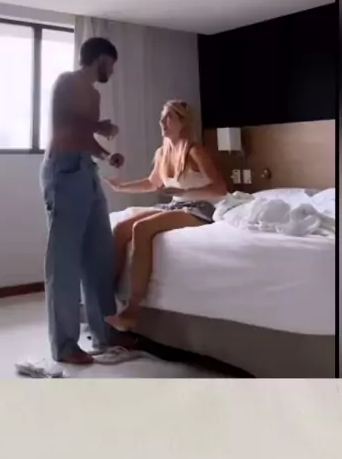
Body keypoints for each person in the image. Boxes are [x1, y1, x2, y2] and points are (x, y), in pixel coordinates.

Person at [104, 99, 227, 332]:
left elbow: (220, 189)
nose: (162, 122)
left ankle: (132, 310)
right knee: (120, 229)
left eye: (169, 117)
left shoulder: (195, 151)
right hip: (176, 205)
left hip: (200, 208)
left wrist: (181, 192)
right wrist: (121, 187)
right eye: (162, 117)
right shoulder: (163, 152)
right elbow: (152, 183)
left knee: (141, 229)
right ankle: (104, 296)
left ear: (183, 122)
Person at [41, 36, 125, 365]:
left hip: (86, 170)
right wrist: (99, 126)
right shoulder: (67, 82)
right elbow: (65, 123)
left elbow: (85, 137)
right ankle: (64, 345)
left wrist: (106, 155)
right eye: (111, 64)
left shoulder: (94, 94)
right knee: (64, 262)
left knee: (99, 255)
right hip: (63, 171)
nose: (112, 71)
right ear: (100, 58)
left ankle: (105, 333)